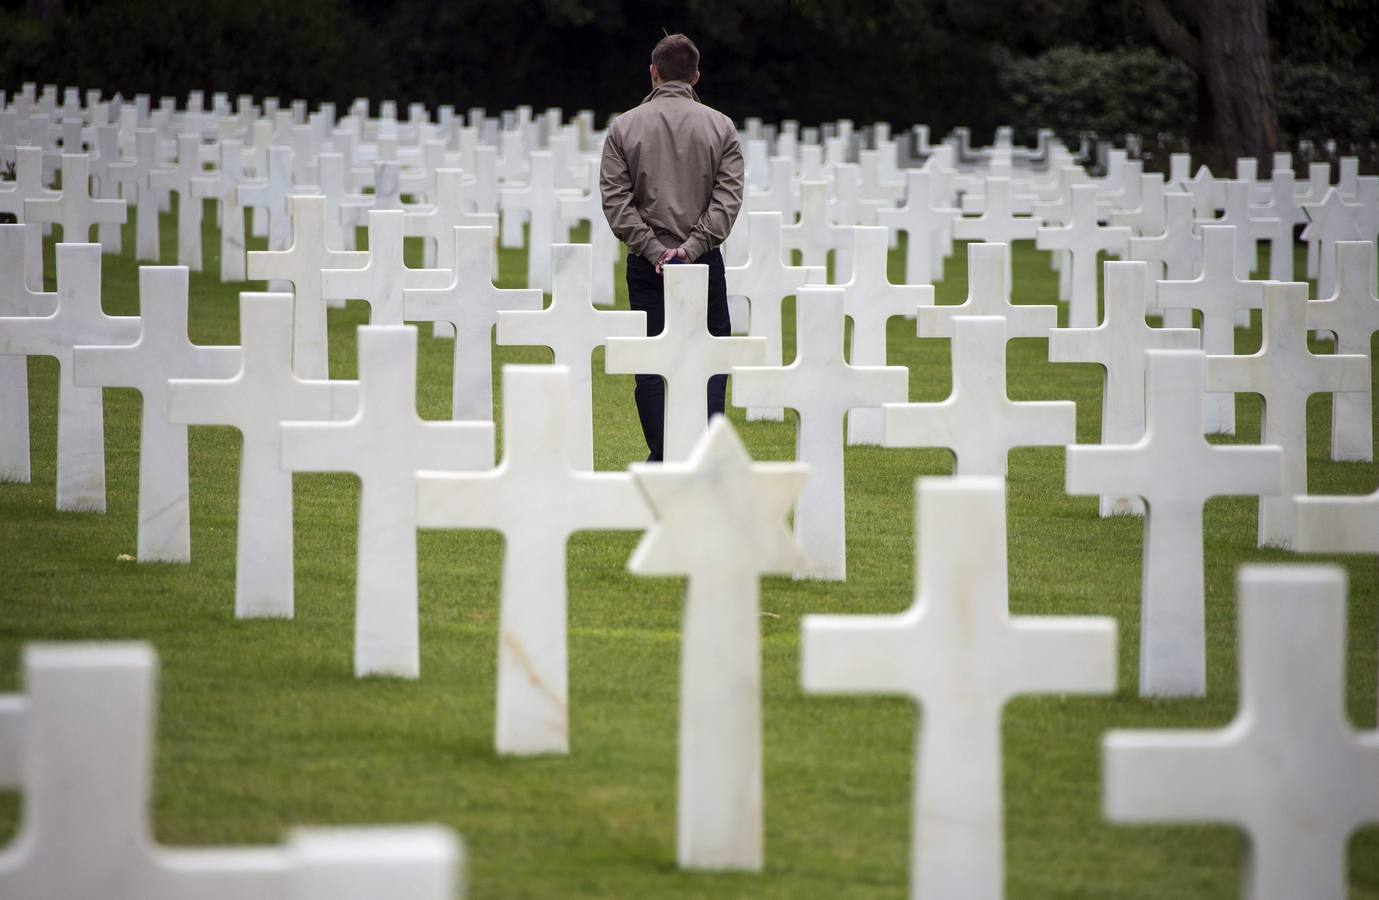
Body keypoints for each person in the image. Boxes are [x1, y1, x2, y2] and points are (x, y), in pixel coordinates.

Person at [599, 32, 745, 463]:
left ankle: (664, 457)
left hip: (648, 264)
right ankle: (697, 456)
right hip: (703, 261)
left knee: (651, 361)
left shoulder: (624, 126)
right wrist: (693, 247)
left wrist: (653, 249)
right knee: (710, 356)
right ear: (696, 76)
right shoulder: (721, 126)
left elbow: (615, 200)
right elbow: (727, 199)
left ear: (653, 72)